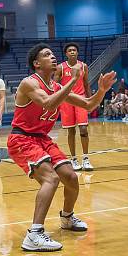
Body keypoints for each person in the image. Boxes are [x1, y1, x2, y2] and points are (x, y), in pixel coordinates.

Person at [8, 43, 115, 252]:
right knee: (51, 178)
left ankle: (66, 218)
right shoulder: (29, 83)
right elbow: (48, 103)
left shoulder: (57, 88)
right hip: (22, 139)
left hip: (42, 139)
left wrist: (101, 90)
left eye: (53, 54)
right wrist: (74, 79)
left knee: (71, 177)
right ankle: (35, 234)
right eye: (47, 55)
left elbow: (89, 104)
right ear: (37, 64)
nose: (53, 57)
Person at [55, 43, 94, 171]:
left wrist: (90, 100)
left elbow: (86, 83)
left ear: (77, 53)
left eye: (74, 50)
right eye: (70, 50)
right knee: (71, 130)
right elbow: (54, 85)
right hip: (66, 101)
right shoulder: (61, 67)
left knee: (83, 129)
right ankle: (73, 159)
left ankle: (86, 158)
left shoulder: (83, 66)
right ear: (66, 53)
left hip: (81, 99)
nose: (72, 52)